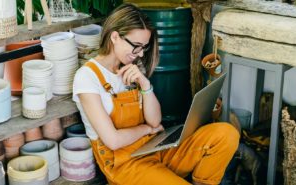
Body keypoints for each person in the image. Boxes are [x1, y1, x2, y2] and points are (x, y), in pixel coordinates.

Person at [73, 3, 239, 185]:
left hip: (154, 149)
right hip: (126, 165)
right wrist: (148, 130)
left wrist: (145, 84)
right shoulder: (87, 77)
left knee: (226, 134)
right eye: (136, 46)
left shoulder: (132, 68)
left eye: (144, 47)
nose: (140, 53)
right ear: (114, 37)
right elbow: (112, 141)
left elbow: (154, 121)